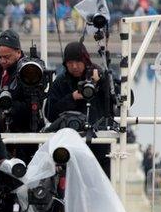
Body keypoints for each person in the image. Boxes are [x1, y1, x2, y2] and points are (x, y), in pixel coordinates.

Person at [45, 41, 112, 174]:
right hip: (70, 146)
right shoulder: (60, 82)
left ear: (85, 61)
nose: (74, 67)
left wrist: (101, 83)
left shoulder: (100, 77)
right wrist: (72, 98)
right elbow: (50, 113)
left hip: (99, 143)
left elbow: (112, 106)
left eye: (78, 62)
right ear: (65, 64)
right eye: (70, 63)